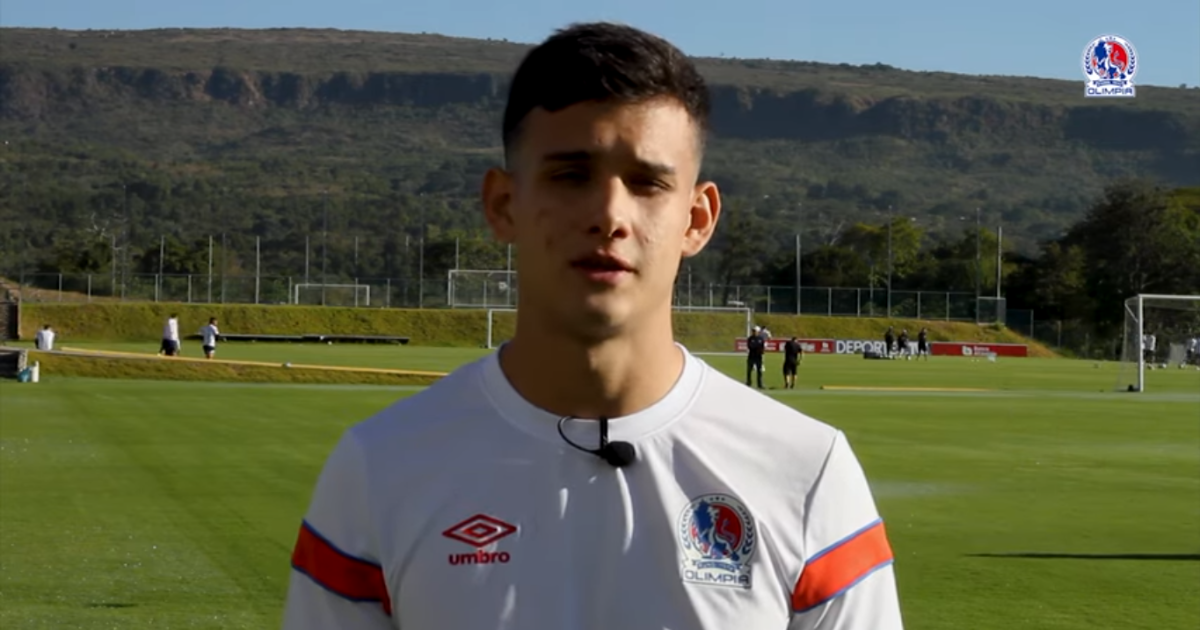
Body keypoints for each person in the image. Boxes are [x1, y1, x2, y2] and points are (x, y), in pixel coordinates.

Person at [281, 22, 902, 630]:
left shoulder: (805, 470)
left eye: (647, 182)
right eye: (570, 175)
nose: (609, 215)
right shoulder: (380, 467)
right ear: (503, 204)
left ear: (697, 218)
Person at [745, 325, 766, 389]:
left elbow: (762, 347)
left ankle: (760, 384)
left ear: (758, 332)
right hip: (751, 356)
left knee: (759, 371)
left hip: (758, 357)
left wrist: (761, 350)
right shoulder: (750, 338)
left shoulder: (761, 339)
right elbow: (750, 346)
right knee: (749, 370)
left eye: (755, 331)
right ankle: (749, 382)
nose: (754, 332)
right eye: (753, 331)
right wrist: (757, 347)